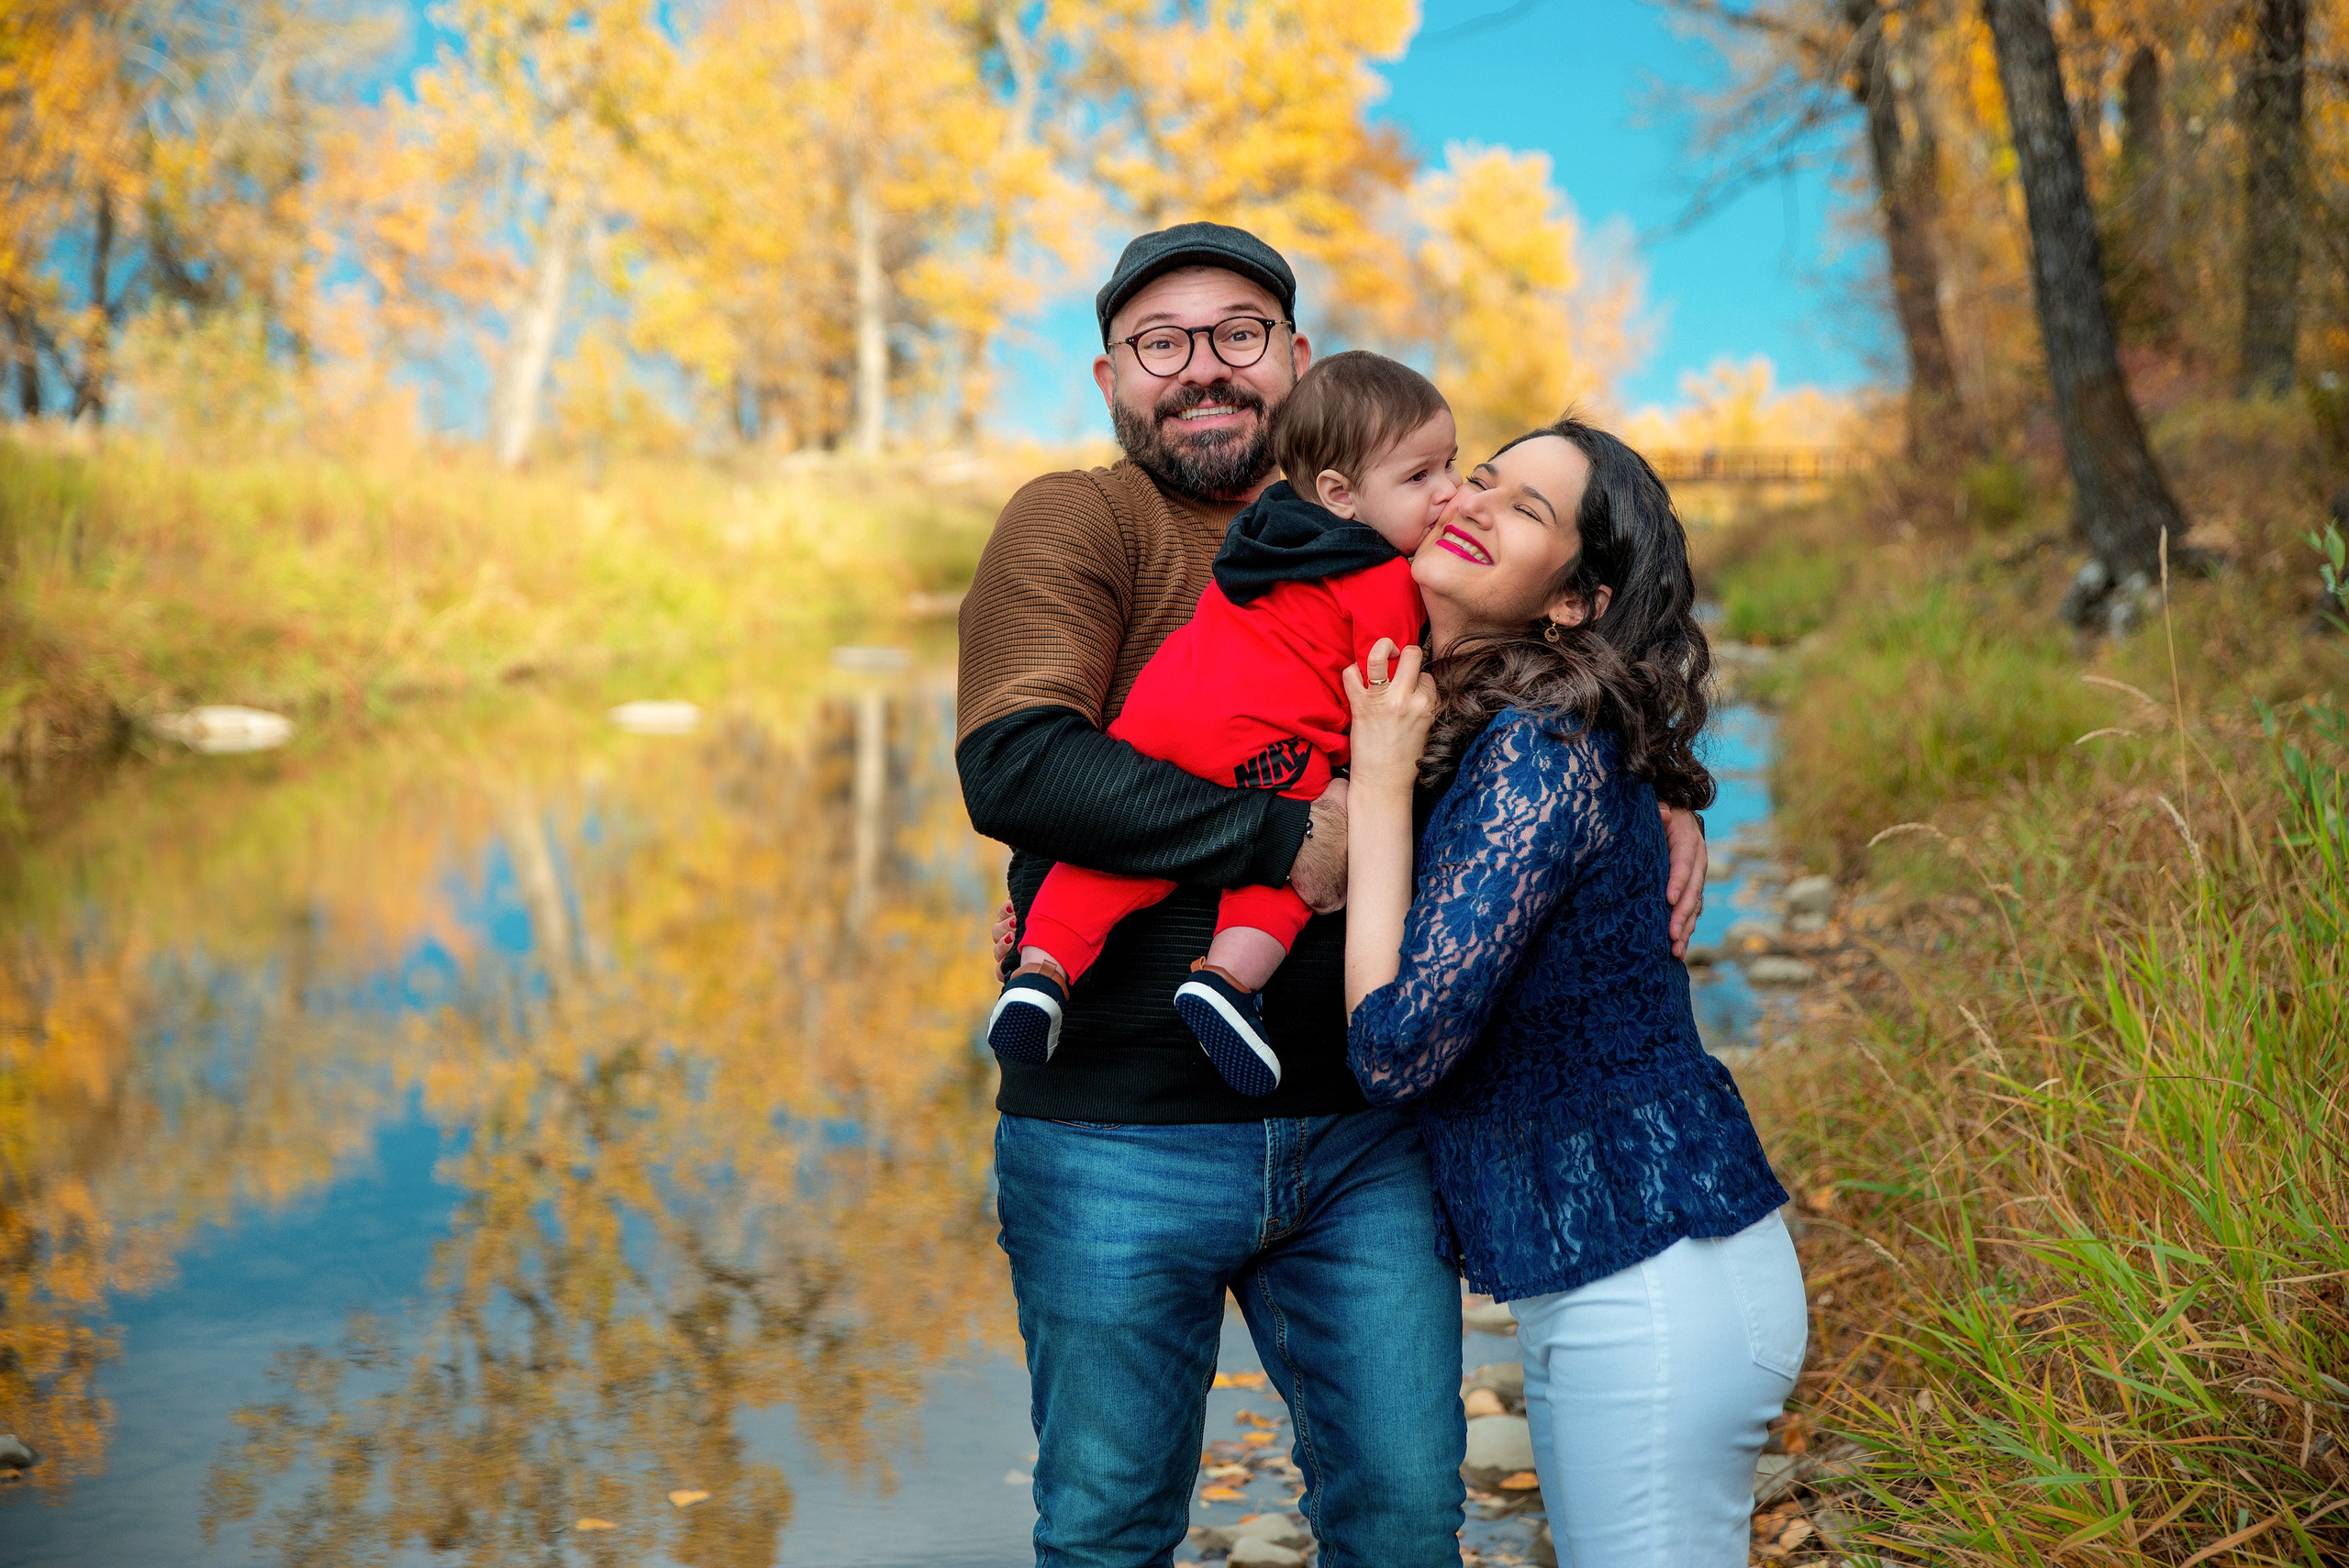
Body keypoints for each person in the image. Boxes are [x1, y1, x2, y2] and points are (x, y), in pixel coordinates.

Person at [956, 222, 1709, 1567]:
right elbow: (1022, 763)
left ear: (1297, 361)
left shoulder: (1411, 542)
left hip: (1365, 1134)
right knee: (1108, 1525)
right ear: (1108, 376)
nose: (1202, 371)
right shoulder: (1081, 522)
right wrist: (1292, 842)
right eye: (1160, 345)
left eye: (1239, 335)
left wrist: (1657, 790)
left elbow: (1531, 675)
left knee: (1407, 1515)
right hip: (1118, 1134)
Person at [1340, 418, 1806, 1567]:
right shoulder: (1500, 723)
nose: (1474, 503)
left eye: (1526, 511)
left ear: (1573, 603)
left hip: (1656, 1284)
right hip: (1610, 1276)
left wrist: (1382, 783)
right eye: (1482, 480)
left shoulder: (1539, 750)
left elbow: (1394, 1047)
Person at [987, 350, 1460, 1097]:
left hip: (1161, 714)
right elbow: (1390, 696)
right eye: (1420, 478)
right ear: (1339, 493)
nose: (1449, 493)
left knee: (1111, 858)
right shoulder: (1383, 579)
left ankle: (1041, 969)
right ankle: (1229, 979)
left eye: (1452, 467)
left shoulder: (1266, 532)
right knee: (1310, 838)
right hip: (1262, 742)